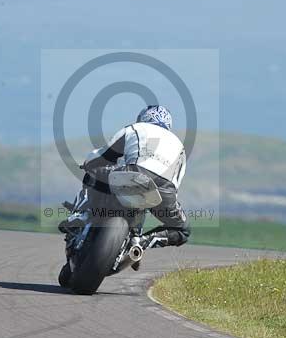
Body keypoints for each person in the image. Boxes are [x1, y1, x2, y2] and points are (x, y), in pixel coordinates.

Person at [59, 105, 190, 248]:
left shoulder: (135, 128)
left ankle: (80, 215)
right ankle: (141, 242)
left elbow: (103, 155)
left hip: (134, 174)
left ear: (143, 117)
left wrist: (88, 164)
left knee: (95, 172)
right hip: (165, 190)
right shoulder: (180, 147)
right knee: (183, 230)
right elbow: (176, 183)